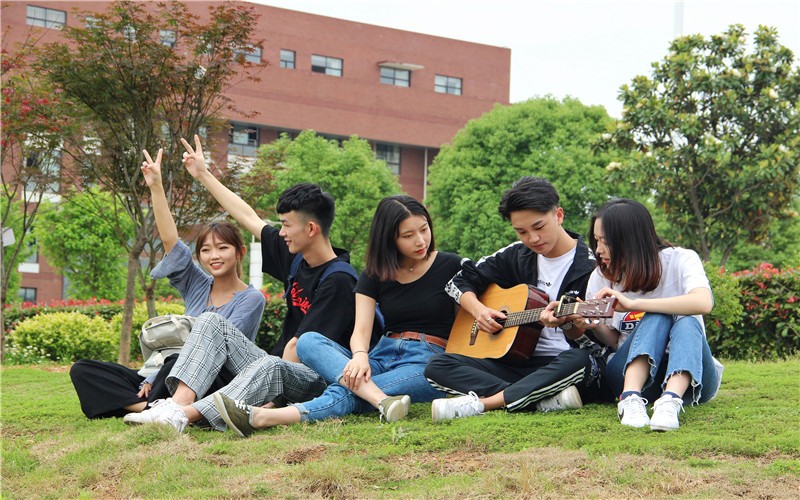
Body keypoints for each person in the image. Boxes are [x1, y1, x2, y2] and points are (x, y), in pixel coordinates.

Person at [123, 136, 359, 433]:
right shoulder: (296, 258)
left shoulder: (339, 280)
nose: (281, 232)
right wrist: (204, 174)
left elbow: (299, 349)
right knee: (210, 320)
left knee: (273, 364)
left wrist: (272, 401)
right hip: (276, 365)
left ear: (310, 229)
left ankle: (183, 415)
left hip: (313, 379)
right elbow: (247, 215)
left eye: (286, 225)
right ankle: (174, 406)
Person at [211, 195, 464, 437]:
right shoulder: (375, 273)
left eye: (424, 229)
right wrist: (360, 357)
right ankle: (383, 401)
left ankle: (263, 417)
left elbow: (470, 318)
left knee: (348, 392)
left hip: (428, 361)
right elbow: (362, 331)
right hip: (382, 354)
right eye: (408, 235)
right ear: (389, 239)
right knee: (308, 341)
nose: (420, 241)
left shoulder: (452, 266)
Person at [69, 148, 265, 419]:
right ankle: (150, 408)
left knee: (176, 360)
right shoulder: (197, 284)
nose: (214, 256)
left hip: (212, 378)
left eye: (223, 248)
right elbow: (172, 243)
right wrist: (156, 187)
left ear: (239, 252)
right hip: (165, 370)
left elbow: (217, 353)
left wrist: (163, 372)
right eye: (206, 250)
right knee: (83, 369)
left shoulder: (252, 299)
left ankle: (155, 406)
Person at [424, 176, 608, 420]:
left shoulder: (594, 264)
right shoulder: (515, 255)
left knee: (579, 360)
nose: (532, 238)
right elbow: (457, 282)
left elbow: (601, 345)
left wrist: (571, 326)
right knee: (437, 365)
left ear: (559, 215)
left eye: (539, 227)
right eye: (521, 231)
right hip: (515, 366)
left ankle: (486, 403)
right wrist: (479, 311)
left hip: (565, 366)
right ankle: (540, 398)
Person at [578, 198, 723, 431]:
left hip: (694, 379)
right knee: (657, 315)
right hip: (628, 374)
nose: (598, 250)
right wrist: (593, 324)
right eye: (596, 240)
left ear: (629, 240)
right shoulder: (602, 276)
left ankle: (670, 401)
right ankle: (630, 398)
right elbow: (614, 340)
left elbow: (704, 302)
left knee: (681, 316)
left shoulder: (681, 259)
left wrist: (635, 304)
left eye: (605, 242)